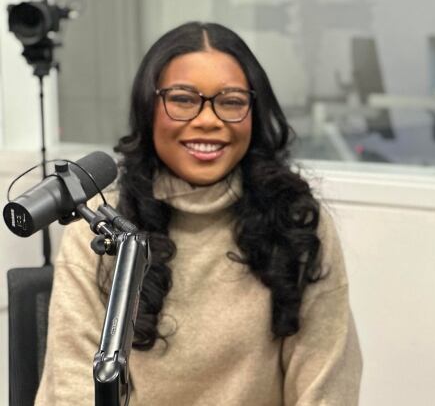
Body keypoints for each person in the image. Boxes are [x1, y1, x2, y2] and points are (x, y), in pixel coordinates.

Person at [36, 22, 362, 405]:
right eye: (183, 99)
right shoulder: (100, 225)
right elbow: (73, 387)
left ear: (254, 112)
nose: (208, 120)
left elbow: (326, 386)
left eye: (231, 101)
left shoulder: (296, 222)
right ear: (148, 108)